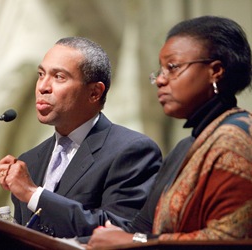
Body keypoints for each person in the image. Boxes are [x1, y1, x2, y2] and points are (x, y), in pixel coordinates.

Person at [87, 15, 252, 249]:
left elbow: (230, 240)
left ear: (215, 70)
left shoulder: (235, 138)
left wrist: (133, 240)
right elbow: (141, 227)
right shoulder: (187, 146)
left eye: (172, 68)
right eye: (160, 70)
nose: (160, 80)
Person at [0, 37, 162, 238]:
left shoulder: (132, 151)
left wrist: (32, 193)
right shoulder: (30, 160)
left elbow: (121, 231)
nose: (43, 87)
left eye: (59, 77)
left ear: (94, 93)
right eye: (41, 74)